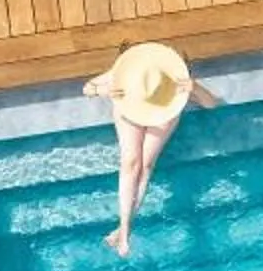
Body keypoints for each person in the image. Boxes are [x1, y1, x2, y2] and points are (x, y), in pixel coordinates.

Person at [81, 41, 221, 258]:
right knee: (131, 163)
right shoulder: (129, 73)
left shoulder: (174, 81)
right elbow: (87, 88)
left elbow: (211, 104)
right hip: (129, 111)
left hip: (163, 114)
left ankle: (124, 228)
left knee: (145, 166)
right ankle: (125, 231)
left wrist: (196, 87)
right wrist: (102, 89)